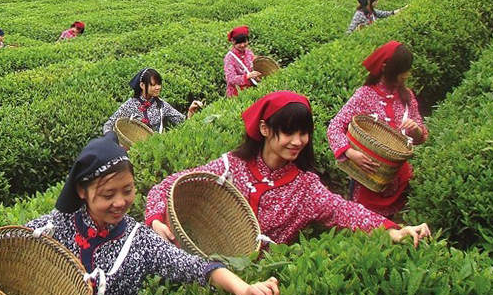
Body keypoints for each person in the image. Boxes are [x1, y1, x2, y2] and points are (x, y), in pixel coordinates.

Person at [0, 132, 281, 295]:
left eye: (128, 191)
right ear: (82, 191)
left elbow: (193, 266)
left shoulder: (138, 241)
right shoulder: (56, 226)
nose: (120, 203)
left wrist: (242, 288)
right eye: (107, 195)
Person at [145, 91, 432, 247]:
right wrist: (157, 220)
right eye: (289, 133)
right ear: (265, 128)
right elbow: (168, 185)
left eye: (304, 133)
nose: (298, 142)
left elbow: (343, 211)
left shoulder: (305, 186)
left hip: (258, 282)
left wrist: (393, 229)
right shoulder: (231, 166)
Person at [327, 41, 428, 217]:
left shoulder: (407, 95)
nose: (407, 75)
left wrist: (416, 130)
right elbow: (335, 127)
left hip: (400, 179)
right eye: (402, 70)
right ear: (385, 68)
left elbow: (420, 135)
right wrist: (350, 153)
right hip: (368, 180)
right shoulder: (364, 95)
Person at [102, 68, 203, 134]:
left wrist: (191, 111)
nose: (158, 88)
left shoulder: (162, 105)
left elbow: (182, 122)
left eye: (159, 84)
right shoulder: (129, 105)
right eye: (153, 85)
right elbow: (108, 125)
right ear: (142, 85)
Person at [223, 26, 261, 97]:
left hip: (250, 90)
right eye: (239, 43)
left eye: (245, 42)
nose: (243, 45)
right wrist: (246, 77)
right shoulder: (229, 57)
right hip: (236, 94)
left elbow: (253, 67)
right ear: (233, 42)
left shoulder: (248, 52)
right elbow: (230, 79)